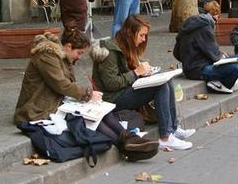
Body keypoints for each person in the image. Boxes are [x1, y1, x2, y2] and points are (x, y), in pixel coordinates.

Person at [14, 26, 158, 161]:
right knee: (89, 116)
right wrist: (88, 94)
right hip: (37, 110)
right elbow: (62, 85)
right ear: (68, 46)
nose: (80, 57)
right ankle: (126, 146)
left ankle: (129, 139)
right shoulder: (46, 57)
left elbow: (67, 85)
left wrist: (87, 97)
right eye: (79, 52)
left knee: (99, 110)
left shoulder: (61, 57)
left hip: (55, 102)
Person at [91, 15, 195, 150]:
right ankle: (165, 137)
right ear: (130, 33)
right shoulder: (110, 51)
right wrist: (136, 73)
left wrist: (145, 72)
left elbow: (127, 72)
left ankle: (173, 128)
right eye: (141, 35)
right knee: (160, 86)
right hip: (111, 98)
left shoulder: (125, 45)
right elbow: (111, 83)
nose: (143, 39)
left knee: (165, 80)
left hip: (124, 90)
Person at [173, 1, 238, 94]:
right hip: (198, 69)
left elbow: (176, 53)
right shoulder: (205, 27)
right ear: (215, 16)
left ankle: (219, 82)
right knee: (236, 67)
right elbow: (214, 54)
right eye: (217, 19)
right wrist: (222, 56)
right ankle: (220, 84)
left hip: (191, 66)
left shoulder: (187, 24)